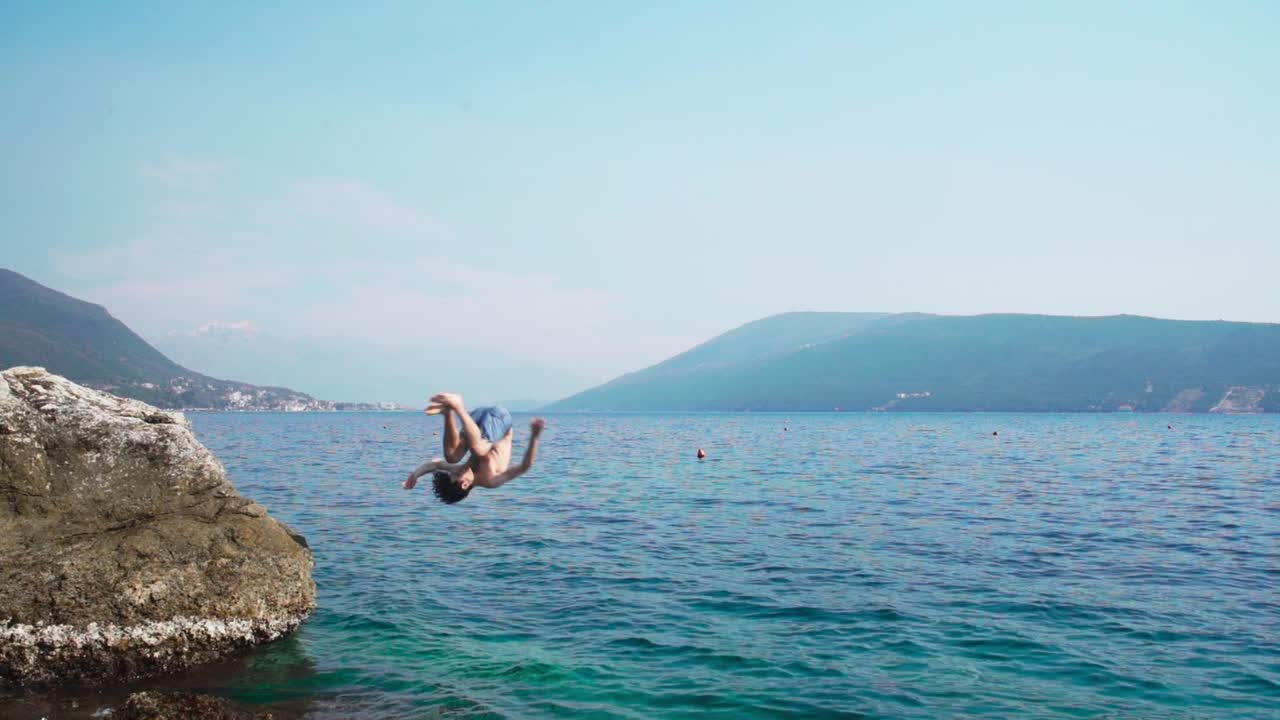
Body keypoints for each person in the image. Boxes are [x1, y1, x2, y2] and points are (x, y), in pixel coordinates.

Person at [403, 393, 544, 503]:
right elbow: (524, 467)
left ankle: (448, 412)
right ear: (464, 484)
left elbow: (434, 465)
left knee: (452, 457)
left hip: (476, 419)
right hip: (500, 419)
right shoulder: (491, 480)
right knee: (480, 451)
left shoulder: (461, 472)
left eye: (455, 473)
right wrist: (534, 437)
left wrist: (415, 475)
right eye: (458, 474)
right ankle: (458, 406)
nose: (458, 470)